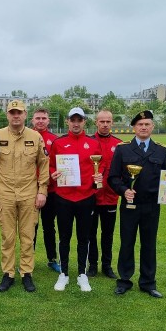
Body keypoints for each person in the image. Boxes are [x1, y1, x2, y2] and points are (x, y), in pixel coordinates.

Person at [108, 110, 166, 298]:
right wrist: (123, 190)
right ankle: (124, 281)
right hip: (130, 204)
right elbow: (112, 178)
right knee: (127, 243)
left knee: (149, 244)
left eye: (147, 124)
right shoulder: (122, 149)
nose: (143, 127)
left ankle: (148, 283)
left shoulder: (161, 150)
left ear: (152, 127)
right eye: (140, 124)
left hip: (151, 206)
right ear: (134, 128)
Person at [0, 99, 49, 293]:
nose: (16, 115)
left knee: (28, 237)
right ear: (7, 115)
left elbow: (44, 165)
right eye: (12, 112)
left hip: (29, 194)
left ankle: (27, 273)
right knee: (8, 237)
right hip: (5, 194)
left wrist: (42, 191)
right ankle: (8, 274)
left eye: (19, 112)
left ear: (25, 114)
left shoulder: (35, 137)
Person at [49, 107, 103, 292]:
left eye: (79, 120)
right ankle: (63, 273)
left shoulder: (93, 143)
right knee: (64, 237)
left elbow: (100, 166)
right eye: (73, 120)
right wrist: (53, 174)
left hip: (86, 197)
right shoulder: (58, 143)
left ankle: (82, 274)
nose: (76, 123)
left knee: (84, 237)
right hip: (63, 197)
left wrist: (99, 177)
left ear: (84, 122)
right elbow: (49, 167)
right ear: (68, 122)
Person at [87, 109, 123, 279]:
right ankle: (92, 265)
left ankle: (107, 266)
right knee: (90, 233)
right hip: (91, 196)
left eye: (108, 121)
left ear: (112, 123)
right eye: (102, 121)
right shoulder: (89, 142)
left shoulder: (120, 144)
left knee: (107, 234)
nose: (105, 124)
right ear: (96, 122)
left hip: (110, 197)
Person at [31, 108, 60, 273]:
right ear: (32, 120)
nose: (40, 121)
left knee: (49, 226)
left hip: (51, 191)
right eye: (37, 118)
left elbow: (59, 163)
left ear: (48, 120)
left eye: (43, 118)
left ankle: (52, 259)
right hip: (30, 190)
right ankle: (29, 260)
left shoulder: (55, 140)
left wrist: (54, 174)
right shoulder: (27, 137)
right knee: (30, 227)